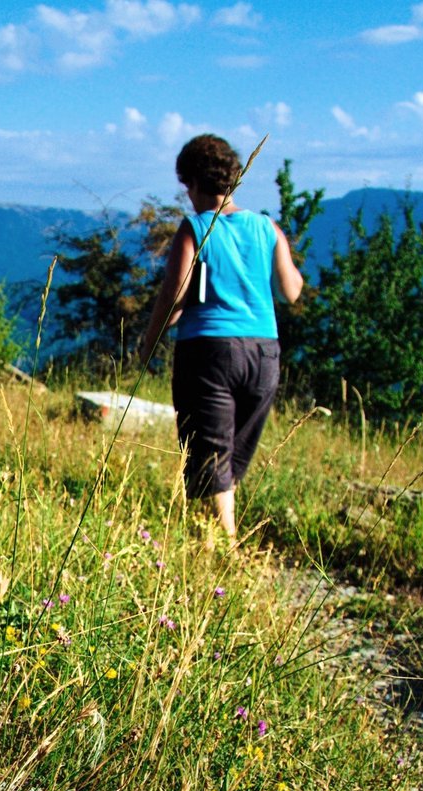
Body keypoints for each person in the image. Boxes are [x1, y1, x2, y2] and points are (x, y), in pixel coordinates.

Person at [135, 133, 304, 541]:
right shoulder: (267, 227)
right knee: (231, 454)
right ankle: (215, 538)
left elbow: (174, 298)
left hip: (209, 350)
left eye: (186, 187)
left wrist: (148, 342)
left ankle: (223, 551)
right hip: (264, 352)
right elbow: (292, 289)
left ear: (193, 182)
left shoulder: (195, 228)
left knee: (209, 450)